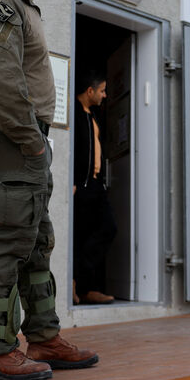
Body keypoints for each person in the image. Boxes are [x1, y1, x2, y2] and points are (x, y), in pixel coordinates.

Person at [0, 0, 98, 380]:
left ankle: (43, 336)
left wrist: (37, 142)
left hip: (22, 140)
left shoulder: (22, 6)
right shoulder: (1, 5)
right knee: (9, 243)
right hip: (11, 139)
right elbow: (3, 88)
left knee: (36, 242)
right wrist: (32, 143)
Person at [72, 70, 118, 305]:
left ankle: (84, 284)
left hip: (96, 185)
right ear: (90, 91)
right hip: (81, 186)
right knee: (79, 236)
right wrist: (73, 181)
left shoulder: (93, 116)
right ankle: (78, 285)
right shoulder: (75, 115)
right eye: (102, 90)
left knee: (107, 228)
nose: (105, 95)